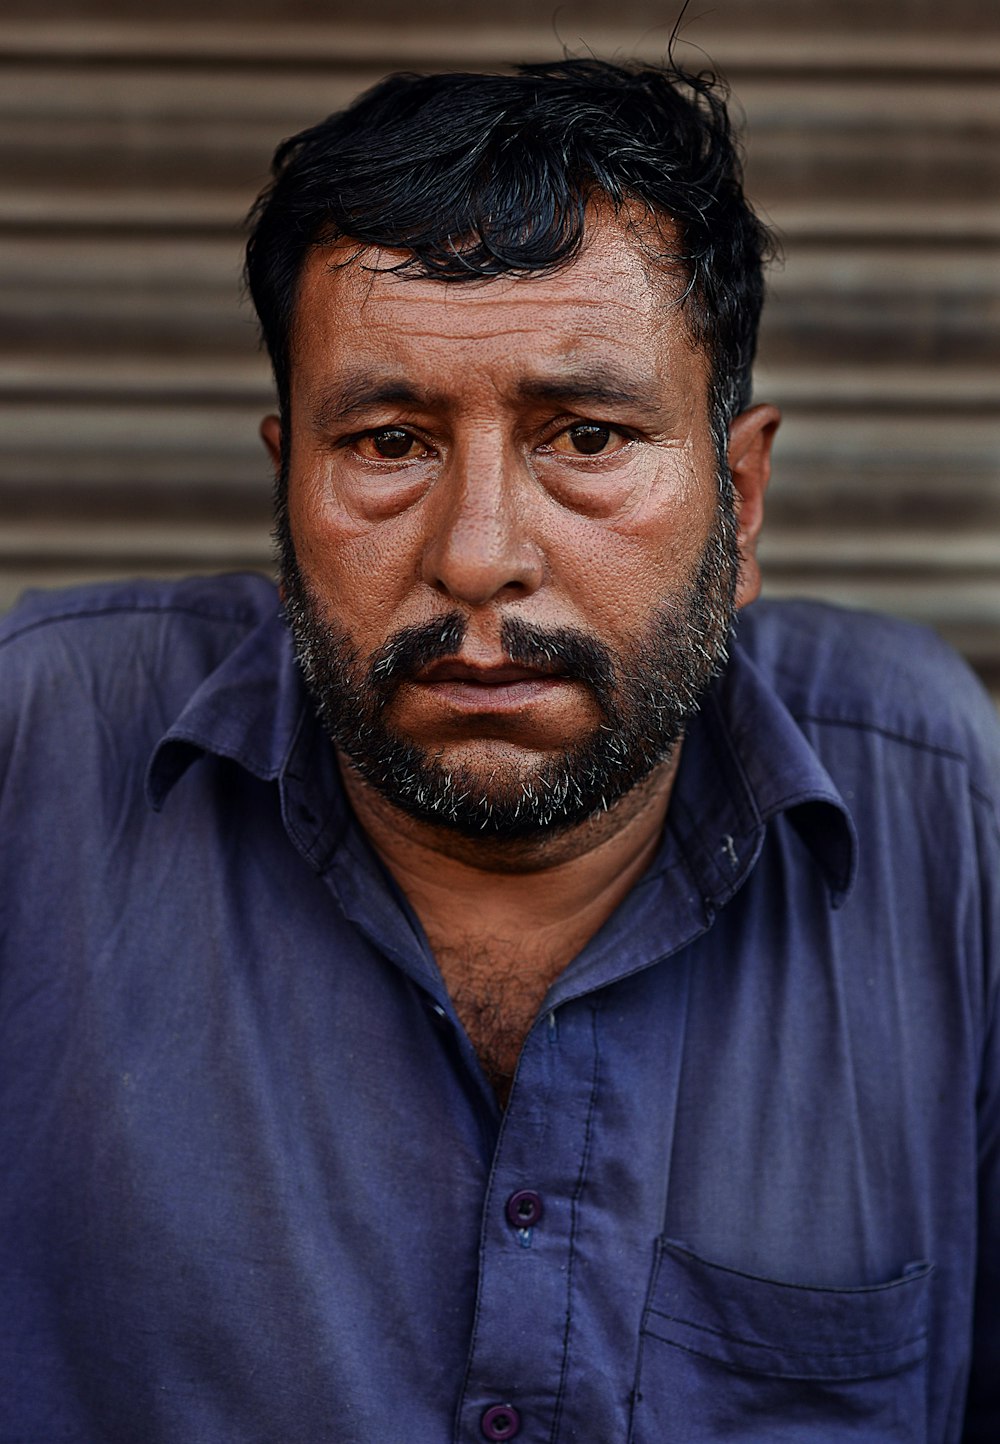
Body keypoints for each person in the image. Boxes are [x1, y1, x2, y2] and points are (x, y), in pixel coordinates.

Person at [0, 57, 997, 1444]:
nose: (479, 558)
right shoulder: (33, 753)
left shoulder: (939, 799)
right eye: (390, 441)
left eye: (586, 436)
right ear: (285, 487)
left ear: (742, 497)